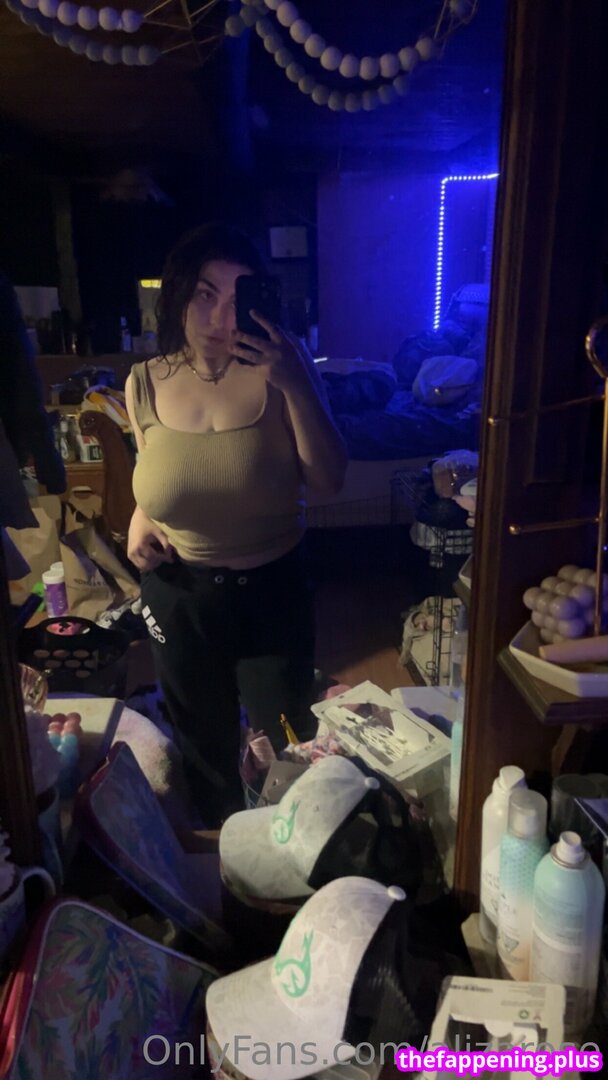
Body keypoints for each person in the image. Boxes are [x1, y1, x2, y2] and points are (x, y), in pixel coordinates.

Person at [125, 223, 347, 825]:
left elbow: (329, 481)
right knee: (202, 747)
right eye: (205, 294)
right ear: (179, 294)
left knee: (287, 740)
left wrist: (295, 382)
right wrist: (141, 517)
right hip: (180, 594)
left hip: (271, 592)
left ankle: (282, 853)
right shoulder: (143, 381)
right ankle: (219, 860)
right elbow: (159, 470)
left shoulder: (286, 370)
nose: (221, 317)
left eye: (237, 296)